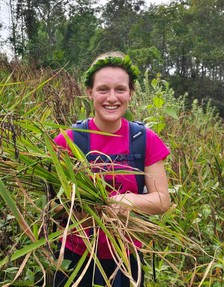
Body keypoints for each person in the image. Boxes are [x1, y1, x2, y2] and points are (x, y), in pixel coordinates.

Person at [52, 51, 171, 287]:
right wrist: (84, 212)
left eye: (120, 89)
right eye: (103, 89)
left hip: (125, 257)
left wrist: (127, 201)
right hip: (75, 257)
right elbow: (53, 207)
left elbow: (162, 201)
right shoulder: (67, 141)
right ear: (89, 92)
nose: (112, 98)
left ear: (131, 93)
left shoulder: (144, 139)